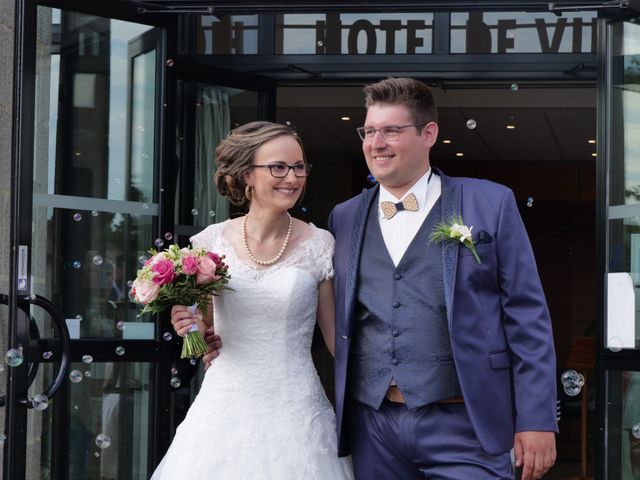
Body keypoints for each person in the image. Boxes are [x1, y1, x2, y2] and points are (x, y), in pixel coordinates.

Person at [327, 77, 558, 480]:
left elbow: (527, 316)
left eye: (392, 131)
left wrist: (537, 418)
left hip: (465, 422)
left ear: (428, 133)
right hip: (374, 426)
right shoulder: (343, 217)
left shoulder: (490, 202)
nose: (376, 143)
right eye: (369, 131)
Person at [151, 121, 353, 479]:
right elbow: (207, 330)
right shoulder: (208, 243)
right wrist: (191, 328)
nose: (292, 178)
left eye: (299, 167)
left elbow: (337, 338)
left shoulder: (321, 244)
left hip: (296, 409)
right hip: (224, 407)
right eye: (278, 167)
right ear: (247, 174)